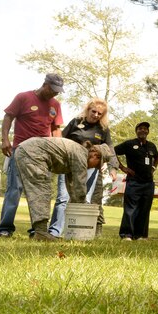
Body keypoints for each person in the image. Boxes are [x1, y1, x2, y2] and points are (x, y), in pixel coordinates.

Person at [0, 73, 65, 237]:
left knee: (41, 192)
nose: (55, 93)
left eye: (57, 91)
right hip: (20, 150)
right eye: (53, 90)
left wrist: (58, 149)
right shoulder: (23, 97)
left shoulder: (55, 104)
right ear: (45, 84)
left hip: (43, 155)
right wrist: (5, 140)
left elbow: (56, 129)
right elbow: (8, 117)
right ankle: (5, 228)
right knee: (14, 190)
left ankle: (38, 230)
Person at [14, 138, 102, 241]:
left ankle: (41, 232)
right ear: (95, 155)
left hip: (26, 149)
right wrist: (82, 203)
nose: (96, 168)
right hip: (32, 152)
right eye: (97, 165)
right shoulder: (81, 155)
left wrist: (76, 203)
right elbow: (80, 184)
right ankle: (41, 232)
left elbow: (72, 184)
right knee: (40, 191)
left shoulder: (78, 153)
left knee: (38, 190)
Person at [57, 98, 120, 236]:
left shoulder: (103, 129)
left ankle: (89, 231)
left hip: (92, 168)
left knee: (93, 199)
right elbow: (60, 141)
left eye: (100, 113)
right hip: (70, 166)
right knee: (63, 197)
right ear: (88, 110)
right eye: (94, 111)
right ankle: (56, 231)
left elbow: (109, 149)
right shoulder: (75, 122)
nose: (96, 115)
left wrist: (113, 168)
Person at [114, 121, 158, 241]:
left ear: (148, 132)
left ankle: (140, 235)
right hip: (134, 182)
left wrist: (153, 168)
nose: (143, 130)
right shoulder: (129, 144)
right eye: (140, 128)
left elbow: (157, 157)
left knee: (145, 209)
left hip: (148, 183)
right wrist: (123, 168)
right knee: (130, 209)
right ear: (136, 131)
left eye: (145, 129)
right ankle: (126, 234)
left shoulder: (151, 146)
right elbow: (112, 152)